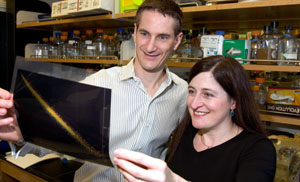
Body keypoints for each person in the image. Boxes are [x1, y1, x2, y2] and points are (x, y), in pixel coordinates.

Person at [0, 0, 188, 181]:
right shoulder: (99, 83)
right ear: (135, 32)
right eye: (145, 33)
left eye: (163, 37)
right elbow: (56, 135)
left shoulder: (183, 93)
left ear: (177, 41)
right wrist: (19, 132)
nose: (150, 46)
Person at [113, 55, 277, 182]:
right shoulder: (186, 133)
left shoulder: (257, 149)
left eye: (208, 94)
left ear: (233, 102)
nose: (195, 103)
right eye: (192, 91)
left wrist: (174, 180)